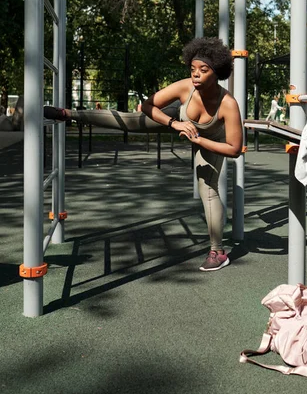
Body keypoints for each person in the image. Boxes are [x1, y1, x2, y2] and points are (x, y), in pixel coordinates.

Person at [44, 37, 243, 272]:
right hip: (179, 121)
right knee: (130, 121)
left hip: (211, 140)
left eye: (203, 70)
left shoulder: (228, 103)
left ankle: (217, 252)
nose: (196, 75)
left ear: (216, 71)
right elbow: (149, 106)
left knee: (208, 190)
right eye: (192, 69)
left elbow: (234, 149)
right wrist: (173, 123)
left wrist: (199, 140)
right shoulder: (185, 87)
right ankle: (69, 114)